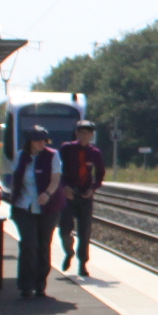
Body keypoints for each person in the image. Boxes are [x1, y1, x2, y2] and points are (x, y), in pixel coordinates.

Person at [8, 126, 63, 298]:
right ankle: (26, 285)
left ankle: (40, 284)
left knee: (43, 246)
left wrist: (47, 194)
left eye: (44, 140)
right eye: (38, 140)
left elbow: (55, 179)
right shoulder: (20, 156)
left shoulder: (52, 155)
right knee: (28, 244)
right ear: (30, 142)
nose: (42, 144)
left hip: (48, 208)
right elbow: (16, 179)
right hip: (24, 206)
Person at [58, 118, 106, 277]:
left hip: (85, 195)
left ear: (91, 135)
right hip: (69, 194)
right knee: (65, 228)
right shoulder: (66, 148)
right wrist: (64, 186)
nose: (84, 136)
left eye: (87, 133)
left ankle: (82, 263)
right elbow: (58, 170)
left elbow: (100, 174)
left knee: (85, 230)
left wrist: (93, 189)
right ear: (76, 133)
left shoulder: (94, 153)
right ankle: (68, 250)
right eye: (81, 132)